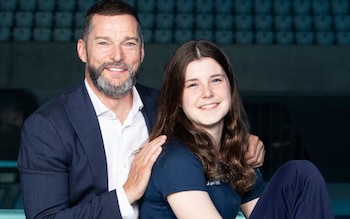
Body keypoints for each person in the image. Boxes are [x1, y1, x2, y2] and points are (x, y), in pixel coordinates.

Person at [17, 1, 265, 218]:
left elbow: (211, 130)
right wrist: (125, 195)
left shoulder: (167, 107)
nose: (117, 55)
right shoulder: (47, 127)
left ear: (142, 51)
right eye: (104, 43)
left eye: (129, 43)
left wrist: (245, 142)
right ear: (83, 50)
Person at [139, 40, 334, 219]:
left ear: (230, 87)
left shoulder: (235, 153)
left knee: (300, 175)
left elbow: (263, 213)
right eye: (192, 85)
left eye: (216, 80)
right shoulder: (175, 159)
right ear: (178, 99)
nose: (207, 93)